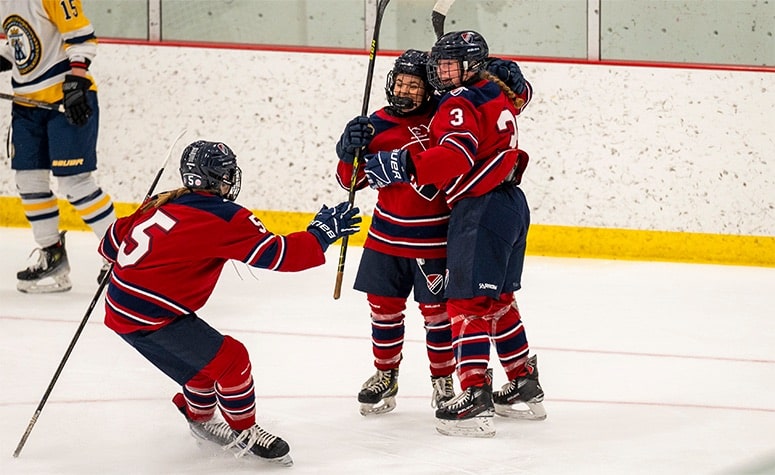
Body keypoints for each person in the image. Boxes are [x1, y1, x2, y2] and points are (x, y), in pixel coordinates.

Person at [98, 140, 361, 465]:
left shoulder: (162, 200)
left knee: (201, 372)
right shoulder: (224, 216)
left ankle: (201, 421)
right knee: (232, 360)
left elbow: (109, 244)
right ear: (216, 178)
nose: (230, 179)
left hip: (121, 308)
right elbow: (279, 255)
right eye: (226, 174)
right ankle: (245, 431)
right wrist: (321, 234)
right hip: (152, 315)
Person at [362, 31, 546, 438]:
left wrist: (406, 166)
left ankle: (475, 397)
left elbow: (457, 155)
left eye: (449, 66)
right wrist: (503, 73)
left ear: (470, 66)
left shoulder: (458, 102)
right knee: (499, 301)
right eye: (440, 65)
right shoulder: (492, 90)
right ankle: (523, 383)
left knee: (466, 304)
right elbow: (521, 95)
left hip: (480, 208)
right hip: (511, 204)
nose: (441, 73)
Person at [335, 49, 457, 416]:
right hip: (385, 237)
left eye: (414, 86)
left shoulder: (442, 120)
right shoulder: (375, 124)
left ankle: (443, 381)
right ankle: (385, 374)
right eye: (401, 83)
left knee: (437, 314)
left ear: (429, 89)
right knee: (383, 310)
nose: (404, 91)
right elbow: (350, 181)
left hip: (434, 240)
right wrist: (348, 152)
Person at [0, 0, 116, 293]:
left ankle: (121, 253)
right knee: (29, 182)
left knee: (75, 182)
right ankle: (52, 255)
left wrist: (76, 80)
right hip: (26, 106)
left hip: (65, 102)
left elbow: (81, 37)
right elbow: (19, 45)